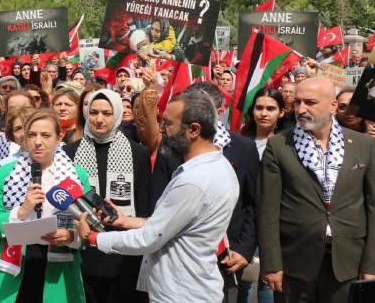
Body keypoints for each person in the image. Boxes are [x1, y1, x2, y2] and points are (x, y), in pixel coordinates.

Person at [75, 93, 239, 302]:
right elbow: (175, 224)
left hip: (182, 292)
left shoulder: (193, 180)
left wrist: (92, 237)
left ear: (194, 130)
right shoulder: (219, 164)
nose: (162, 130)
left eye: (168, 124)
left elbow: (149, 239)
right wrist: (127, 221)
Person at [257, 77, 375, 302]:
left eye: (310, 102)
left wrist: (372, 264)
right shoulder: (279, 146)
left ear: (333, 106)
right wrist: (271, 263)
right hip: (295, 263)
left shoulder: (363, 145)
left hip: (348, 263)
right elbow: (267, 210)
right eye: (297, 102)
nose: (300, 109)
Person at [150, 82, 259, 302]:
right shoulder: (170, 146)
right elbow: (158, 201)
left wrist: (245, 249)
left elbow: (253, 203)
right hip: (178, 259)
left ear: (218, 112)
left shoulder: (243, 148)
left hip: (227, 257)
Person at [0, 110, 91, 303]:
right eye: (32, 135)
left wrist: (70, 236)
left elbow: (87, 230)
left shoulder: (76, 175)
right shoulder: (6, 174)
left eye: (45, 135)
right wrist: (22, 209)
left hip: (60, 267)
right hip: (15, 267)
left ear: (59, 138)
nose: (37, 141)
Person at [64, 89, 151, 303]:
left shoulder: (138, 153)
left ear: (118, 115)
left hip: (124, 254)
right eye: (93, 112)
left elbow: (144, 206)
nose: (99, 119)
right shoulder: (69, 152)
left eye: (107, 113)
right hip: (84, 250)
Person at [237, 88, 286, 303]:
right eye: (259, 108)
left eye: (270, 108)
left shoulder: (288, 145)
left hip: (275, 223)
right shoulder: (238, 143)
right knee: (244, 279)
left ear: (282, 112)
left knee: (270, 282)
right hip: (245, 221)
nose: (264, 113)